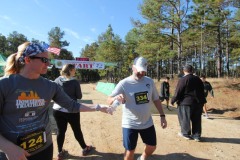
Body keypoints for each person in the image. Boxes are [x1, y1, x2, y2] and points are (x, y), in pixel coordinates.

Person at [0, 42, 110, 160]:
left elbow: (71, 105)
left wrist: (98, 107)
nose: (48, 64)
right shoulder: (4, 85)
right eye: (43, 59)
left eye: (48, 60)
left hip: (44, 150)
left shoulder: (51, 86)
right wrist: (8, 147)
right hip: (12, 153)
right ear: (27, 59)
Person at [107, 56, 167, 160]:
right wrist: (115, 98)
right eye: (139, 71)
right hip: (130, 123)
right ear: (133, 67)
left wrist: (162, 116)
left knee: (152, 146)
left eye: (143, 71)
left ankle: (143, 157)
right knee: (129, 152)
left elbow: (156, 99)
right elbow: (109, 99)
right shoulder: (124, 83)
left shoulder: (149, 82)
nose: (141, 73)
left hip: (147, 122)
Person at [52, 64, 92, 160]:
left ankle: (59, 152)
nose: (75, 71)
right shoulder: (74, 82)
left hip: (57, 110)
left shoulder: (56, 80)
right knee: (77, 130)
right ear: (70, 70)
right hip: (72, 110)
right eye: (74, 70)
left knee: (61, 131)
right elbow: (79, 96)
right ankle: (84, 148)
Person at [171, 65, 206, 142]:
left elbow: (178, 91)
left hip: (186, 102)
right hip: (198, 103)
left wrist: (173, 100)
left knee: (185, 118)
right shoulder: (198, 79)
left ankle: (185, 134)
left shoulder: (183, 79)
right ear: (192, 70)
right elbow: (202, 91)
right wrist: (203, 101)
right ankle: (196, 135)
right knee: (197, 119)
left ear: (184, 71)